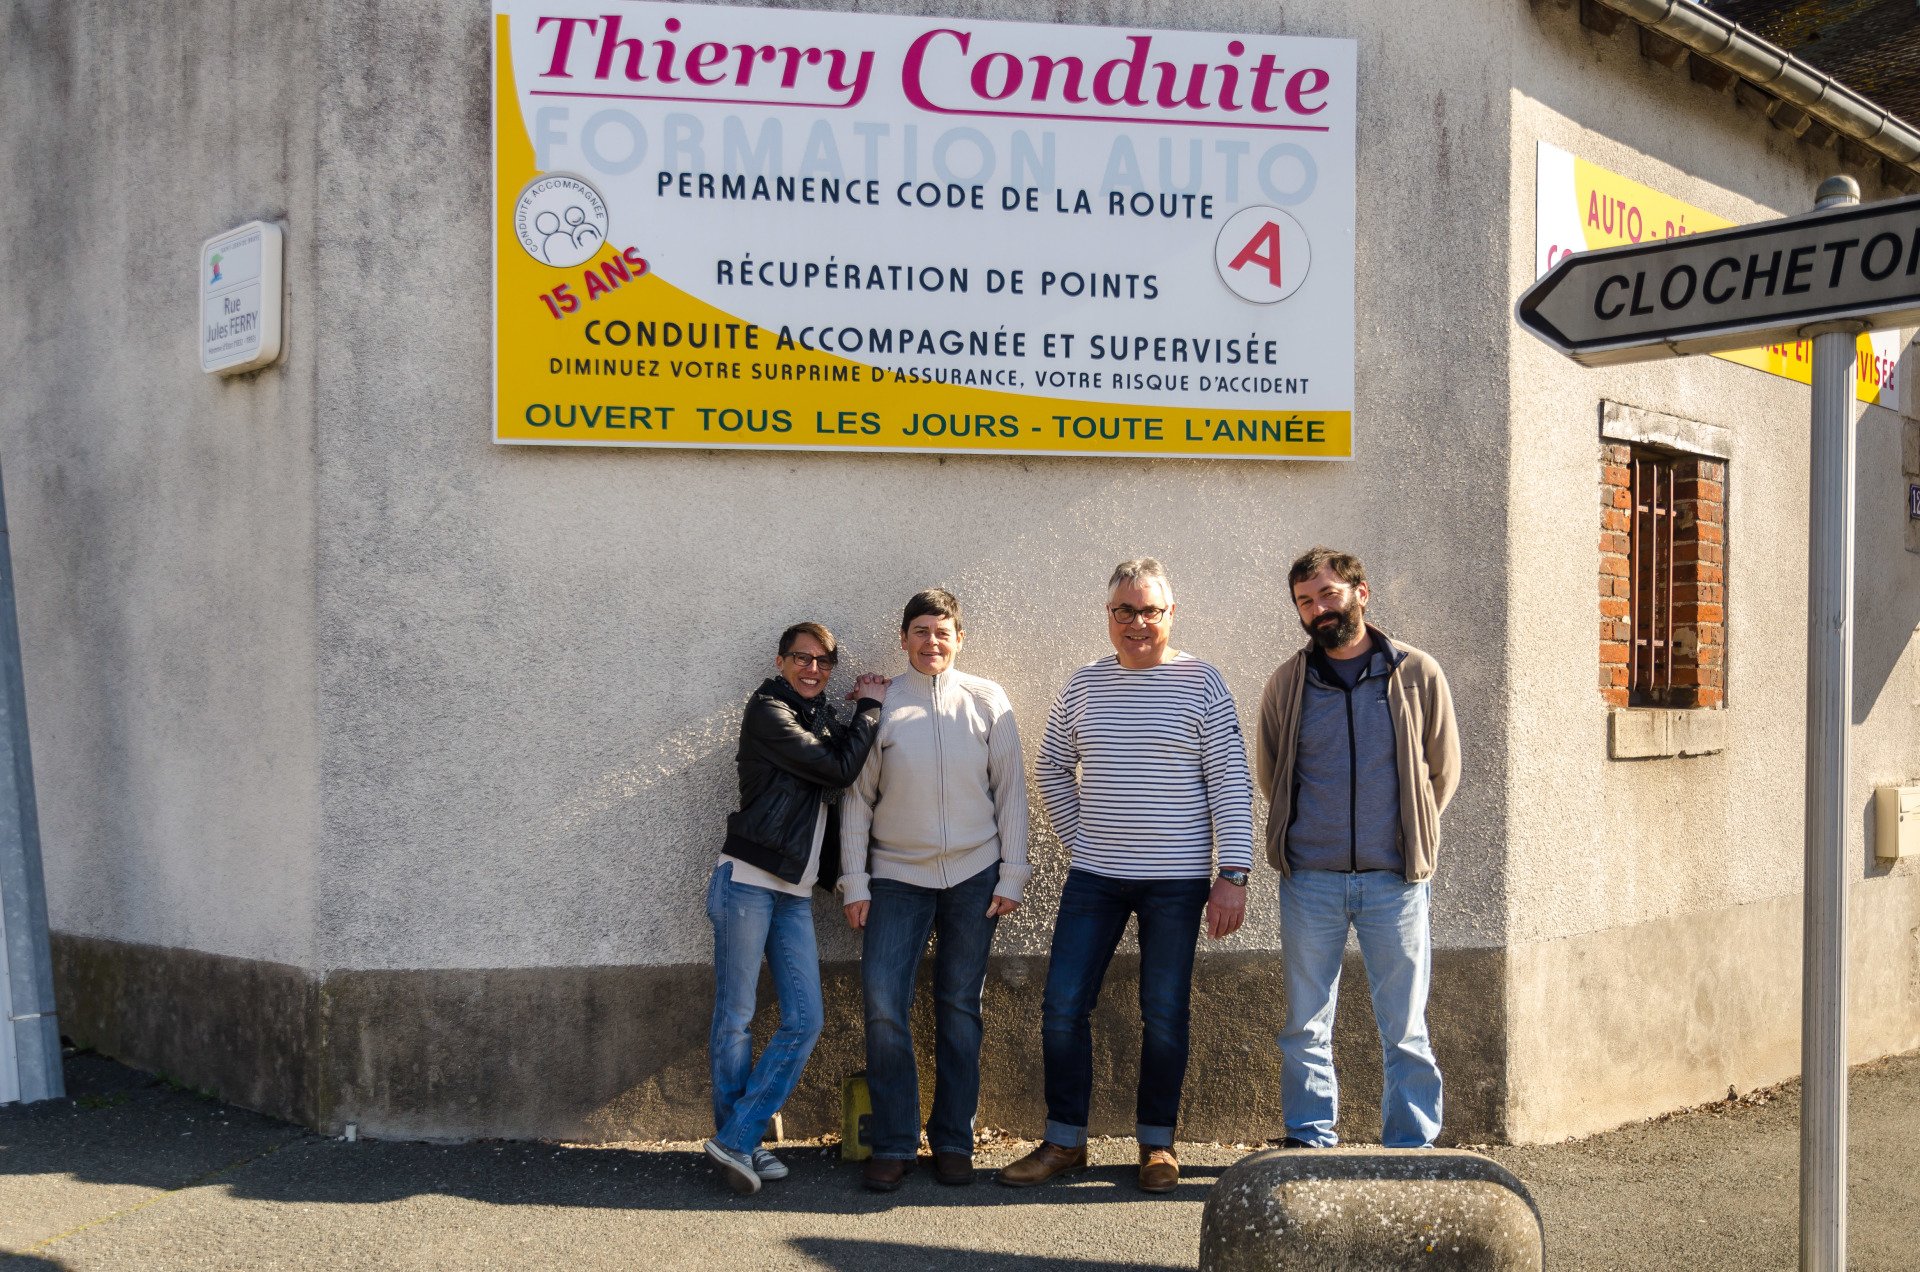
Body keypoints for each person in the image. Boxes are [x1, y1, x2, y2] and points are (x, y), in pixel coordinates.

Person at [999, 558, 1255, 1194]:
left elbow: (1230, 781)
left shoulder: (1202, 683)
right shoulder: (1084, 685)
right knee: (1062, 1007)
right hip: (1095, 878)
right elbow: (1053, 767)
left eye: (1150, 611)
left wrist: (1235, 872)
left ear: (1171, 615)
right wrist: (1081, 837)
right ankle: (1065, 1141)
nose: (1137, 623)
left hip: (1177, 882)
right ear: (1108, 617)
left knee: (1163, 1012)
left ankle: (1158, 1145)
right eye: (1124, 612)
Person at [1256, 547, 1460, 1150]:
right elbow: (1273, 772)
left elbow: (1441, 771)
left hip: (1394, 880)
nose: (1318, 609)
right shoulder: (1290, 681)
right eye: (1305, 601)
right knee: (1304, 1024)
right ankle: (1310, 1136)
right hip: (1310, 880)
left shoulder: (1416, 672)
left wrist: (1408, 834)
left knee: (1404, 1027)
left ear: (1360, 593)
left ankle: (1410, 1144)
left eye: (1328, 595)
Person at [840, 589, 1030, 1191]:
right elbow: (856, 800)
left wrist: (1013, 872)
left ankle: (953, 1139)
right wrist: (854, 881)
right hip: (896, 877)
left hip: (975, 874)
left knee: (959, 1007)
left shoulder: (986, 699)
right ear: (903, 639)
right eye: (920, 631)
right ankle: (894, 1142)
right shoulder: (884, 704)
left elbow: (1012, 792)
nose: (932, 642)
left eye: (943, 631)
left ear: (959, 637)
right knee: (885, 1006)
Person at [703, 622, 889, 1196]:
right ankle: (742, 1142)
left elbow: (839, 763)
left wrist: (852, 718)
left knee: (806, 1020)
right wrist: (870, 710)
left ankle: (737, 1136)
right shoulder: (768, 712)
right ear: (781, 661)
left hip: (793, 891)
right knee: (736, 1015)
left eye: (823, 662)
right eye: (802, 659)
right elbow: (837, 769)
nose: (812, 669)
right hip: (747, 882)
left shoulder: (818, 718)